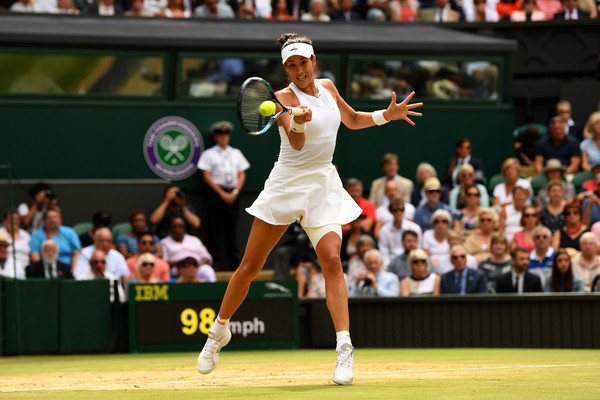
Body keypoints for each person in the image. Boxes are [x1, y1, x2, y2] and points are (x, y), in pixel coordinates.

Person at [196, 32, 423, 386]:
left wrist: (385, 116)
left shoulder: (329, 88)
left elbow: (351, 120)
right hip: (287, 182)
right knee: (249, 267)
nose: (299, 69)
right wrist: (298, 118)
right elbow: (298, 144)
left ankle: (344, 350)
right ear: (285, 69)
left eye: (303, 62)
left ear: (313, 60)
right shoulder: (281, 98)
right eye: (291, 65)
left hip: (322, 183)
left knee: (332, 261)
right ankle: (218, 333)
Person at [197, 120, 250, 271]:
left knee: (231, 230)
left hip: (233, 194)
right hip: (215, 194)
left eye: (225, 135)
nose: (223, 137)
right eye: (220, 135)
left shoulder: (236, 153)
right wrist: (221, 193)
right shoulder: (209, 154)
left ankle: (234, 265)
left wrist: (234, 192)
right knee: (214, 229)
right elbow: (206, 175)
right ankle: (215, 264)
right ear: (215, 137)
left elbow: (242, 174)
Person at [160, 217, 215, 282]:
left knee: (207, 270)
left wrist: (195, 265)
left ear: (185, 228)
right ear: (170, 228)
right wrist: (183, 264)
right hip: (178, 269)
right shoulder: (164, 242)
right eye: (175, 227)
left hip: (196, 267)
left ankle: (214, 290)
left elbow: (207, 257)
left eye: (181, 226)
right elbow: (164, 261)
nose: (178, 229)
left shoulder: (194, 240)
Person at [378, 196, 422, 265]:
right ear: (391, 212)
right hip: (392, 264)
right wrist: (389, 267)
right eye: (395, 210)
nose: (399, 213)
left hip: (412, 262)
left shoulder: (415, 228)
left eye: (401, 210)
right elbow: (384, 253)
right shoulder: (384, 230)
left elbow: (419, 249)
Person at [0, 209, 31, 277]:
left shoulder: (26, 235)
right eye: (11, 219)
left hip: (26, 271)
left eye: (17, 219)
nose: (14, 221)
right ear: (4, 221)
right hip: (6, 270)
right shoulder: (1, 232)